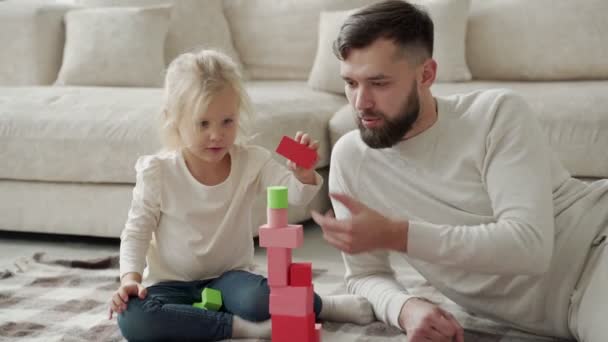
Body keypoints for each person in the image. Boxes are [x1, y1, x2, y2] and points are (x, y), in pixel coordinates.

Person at [311, 1, 608, 342]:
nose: (360, 103)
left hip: (596, 249)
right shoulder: (351, 158)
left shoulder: (495, 114)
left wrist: (397, 234)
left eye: (378, 83)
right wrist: (405, 308)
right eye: (350, 83)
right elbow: (365, 274)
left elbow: (530, 247)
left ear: (426, 75)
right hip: (563, 315)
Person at [109, 49, 374, 341]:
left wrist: (303, 174)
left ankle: (326, 305)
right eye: (203, 124)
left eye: (227, 121)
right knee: (134, 318)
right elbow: (136, 232)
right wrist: (130, 280)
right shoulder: (157, 171)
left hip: (230, 279)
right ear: (174, 120)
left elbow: (296, 197)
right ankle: (244, 329)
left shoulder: (251, 160)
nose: (217, 135)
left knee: (262, 298)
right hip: (168, 285)